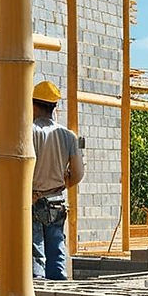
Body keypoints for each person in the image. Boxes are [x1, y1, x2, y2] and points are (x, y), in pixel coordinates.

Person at [31, 81, 84, 281]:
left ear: (34, 104)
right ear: (54, 107)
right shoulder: (69, 136)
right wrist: (63, 184)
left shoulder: (29, 131)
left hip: (34, 200)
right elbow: (78, 174)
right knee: (57, 252)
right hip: (57, 201)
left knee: (36, 256)